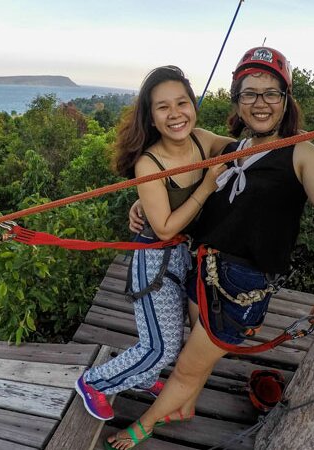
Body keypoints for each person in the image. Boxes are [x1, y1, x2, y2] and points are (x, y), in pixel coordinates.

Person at [106, 46, 314, 449]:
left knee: (186, 370)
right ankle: (186, 406)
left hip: (240, 287)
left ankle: (141, 428)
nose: (260, 103)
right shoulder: (227, 148)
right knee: (197, 351)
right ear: (237, 100)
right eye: (249, 93)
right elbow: (172, 161)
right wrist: (146, 199)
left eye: (271, 93)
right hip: (203, 270)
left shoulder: (301, 153)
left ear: (286, 100)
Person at [75, 65, 229, 421]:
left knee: (171, 339)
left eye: (182, 103)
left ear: (194, 105)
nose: (175, 114)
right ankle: (95, 382)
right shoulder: (150, 163)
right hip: (154, 259)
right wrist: (206, 187)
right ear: (152, 117)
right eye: (163, 107)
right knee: (159, 347)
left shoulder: (201, 140)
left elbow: (238, 147)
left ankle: (142, 379)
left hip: (182, 256)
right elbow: (162, 228)